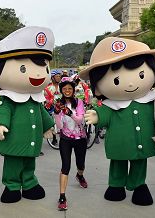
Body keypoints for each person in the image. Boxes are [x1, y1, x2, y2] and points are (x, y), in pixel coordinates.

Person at [82, 37, 155, 206]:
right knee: (118, 163)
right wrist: (97, 116)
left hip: (142, 142)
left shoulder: (150, 99)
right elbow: (105, 112)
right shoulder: (112, 104)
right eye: (116, 80)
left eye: (141, 74)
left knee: (139, 163)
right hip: (119, 143)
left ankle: (139, 185)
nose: (132, 83)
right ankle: (116, 184)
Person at [0, 26, 55, 203]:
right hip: (14, 138)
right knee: (13, 163)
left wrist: (48, 126)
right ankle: (12, 185)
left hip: (31, 139)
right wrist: (0, 124)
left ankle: (29, 183)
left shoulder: (35, 98)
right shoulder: (8, 98)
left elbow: (42, 111)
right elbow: (3, 110)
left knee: (30, 161)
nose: (39, 74)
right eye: (23, 69)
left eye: (44, 69)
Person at [53, 77, 88, 211]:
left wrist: (69, 113)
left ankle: (79, 175)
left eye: (69, 88)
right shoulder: (59, 103)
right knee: (65, 166)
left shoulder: (78, 102)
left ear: (73, 90)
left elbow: (80, 121)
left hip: (80, 139)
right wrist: (57, 113)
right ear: (61, 90)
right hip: (66, 139)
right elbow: (60, 126)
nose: (67, 91)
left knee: (81, 164)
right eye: (64, 89)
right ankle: (62, 197)